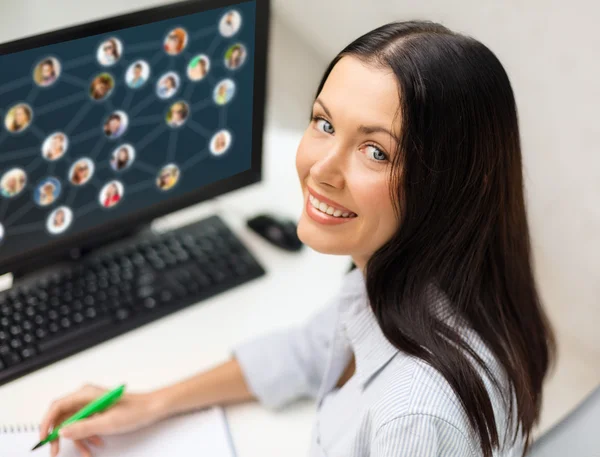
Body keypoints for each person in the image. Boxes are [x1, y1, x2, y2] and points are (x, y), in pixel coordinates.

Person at [38, 21, 556, 457]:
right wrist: (156, 403)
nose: (320, 170)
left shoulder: (415, 418)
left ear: (451, 181)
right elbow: (310, 352)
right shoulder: (411, 275)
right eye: (324, 123)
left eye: (376, 151)